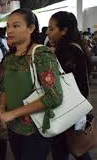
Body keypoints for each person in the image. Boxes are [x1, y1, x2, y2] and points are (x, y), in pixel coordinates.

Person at [0, 8, 63, 160]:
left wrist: (13, 113)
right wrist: (2, 108)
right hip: (13, 127)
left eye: (16, 26)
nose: (9, 30)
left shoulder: (41, 55)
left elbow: (54, 97)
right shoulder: (9, 58)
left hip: (35, 129)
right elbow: (4, 88)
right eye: (8, 26)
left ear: (31, 28)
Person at [47, 11, 92, 160]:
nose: (48, 32)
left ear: (64, 30)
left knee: (65, 148)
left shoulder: (67, 51)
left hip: (67, 108)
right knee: (75, 146)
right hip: (75, 107)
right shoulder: (76, 47)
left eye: (52, 28)